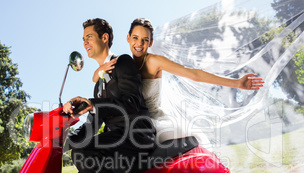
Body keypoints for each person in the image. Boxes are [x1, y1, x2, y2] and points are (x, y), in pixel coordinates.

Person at [62, 18, 155, 173]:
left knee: (85, 153)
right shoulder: (98, 86)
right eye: (83, 39)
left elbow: (131, 102)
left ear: (104, 38)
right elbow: (94, 126)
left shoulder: (123, 62)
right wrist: (65, 133)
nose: (85, 43)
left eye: (89, 37)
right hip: (116, 141)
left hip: (137, 137)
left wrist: (95, 103)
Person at [93, 18, 264, 144]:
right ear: (128, 38)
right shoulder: (122, 65)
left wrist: (237, 83)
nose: (139, 44)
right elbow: (97, 79)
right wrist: (98, 70)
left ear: (150, 42)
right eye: (136, 38)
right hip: (132, 125)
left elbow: (193, 74)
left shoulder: (154, 62)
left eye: (145, 40)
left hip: (154, 123)